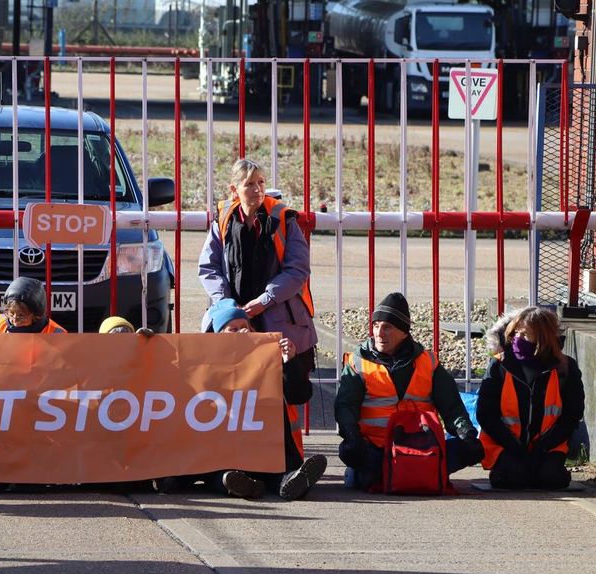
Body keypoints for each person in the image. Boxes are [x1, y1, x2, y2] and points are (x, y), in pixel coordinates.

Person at [154, 299, 328, 501]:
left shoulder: (269, 359)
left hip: (268, 450)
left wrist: (289, 362)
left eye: (245, 327)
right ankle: (237, 484)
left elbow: (300, 395)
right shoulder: (201, 366)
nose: (242, 333)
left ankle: (292, 482)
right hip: (221, 453)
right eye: (233, 329)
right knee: (218, 473)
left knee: (277, 473)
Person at [334, 292, 483, 489]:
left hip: (421, 446)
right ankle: (415, 473)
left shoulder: (427, 363)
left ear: (404, 332)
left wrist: (466, 432)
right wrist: (351, 434)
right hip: (377, 447)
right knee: (350, 451)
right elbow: (345, 406)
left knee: (472, 448)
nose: (379, 333)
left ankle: (396, 473)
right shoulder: (358, 362)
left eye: (387, 327)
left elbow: (452, 406)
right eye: (376, 326)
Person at [198, 158, 317, 388]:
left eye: (261, 182)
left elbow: (298, 269)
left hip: (279, 320)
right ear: (234, 190)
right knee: (230, 389)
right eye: (249, 184)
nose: (257, 189)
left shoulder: (283, 219)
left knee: (284, 391)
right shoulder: (223, 219)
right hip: (233, 321)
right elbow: (208, 267)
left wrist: (264, 301)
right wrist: (226, 304)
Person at [476, 307, 585, 490]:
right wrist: (515, 447)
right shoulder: (499, 365)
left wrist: (542, 448)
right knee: (514, 478)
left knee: (550, 479)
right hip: (505, 444)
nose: (518, 339)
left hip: (548, 445)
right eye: (516, 333)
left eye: (526, 335)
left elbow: (572, 416)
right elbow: (486, 415)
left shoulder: (565, 368)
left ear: (543, 339)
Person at [0, 277, 67, 334]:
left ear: (36, 316)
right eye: (11, 313)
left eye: (21, 316)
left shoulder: (57, 334)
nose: (14, 320)